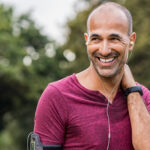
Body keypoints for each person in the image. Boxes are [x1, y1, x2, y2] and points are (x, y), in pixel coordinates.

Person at [33, 2, 150, 150]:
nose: (105, 50)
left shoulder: (143, 98)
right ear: (86, 40)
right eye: (96, 39)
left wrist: (132, 91)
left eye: (114, 38)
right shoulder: (57, 96)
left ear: (131, 41)